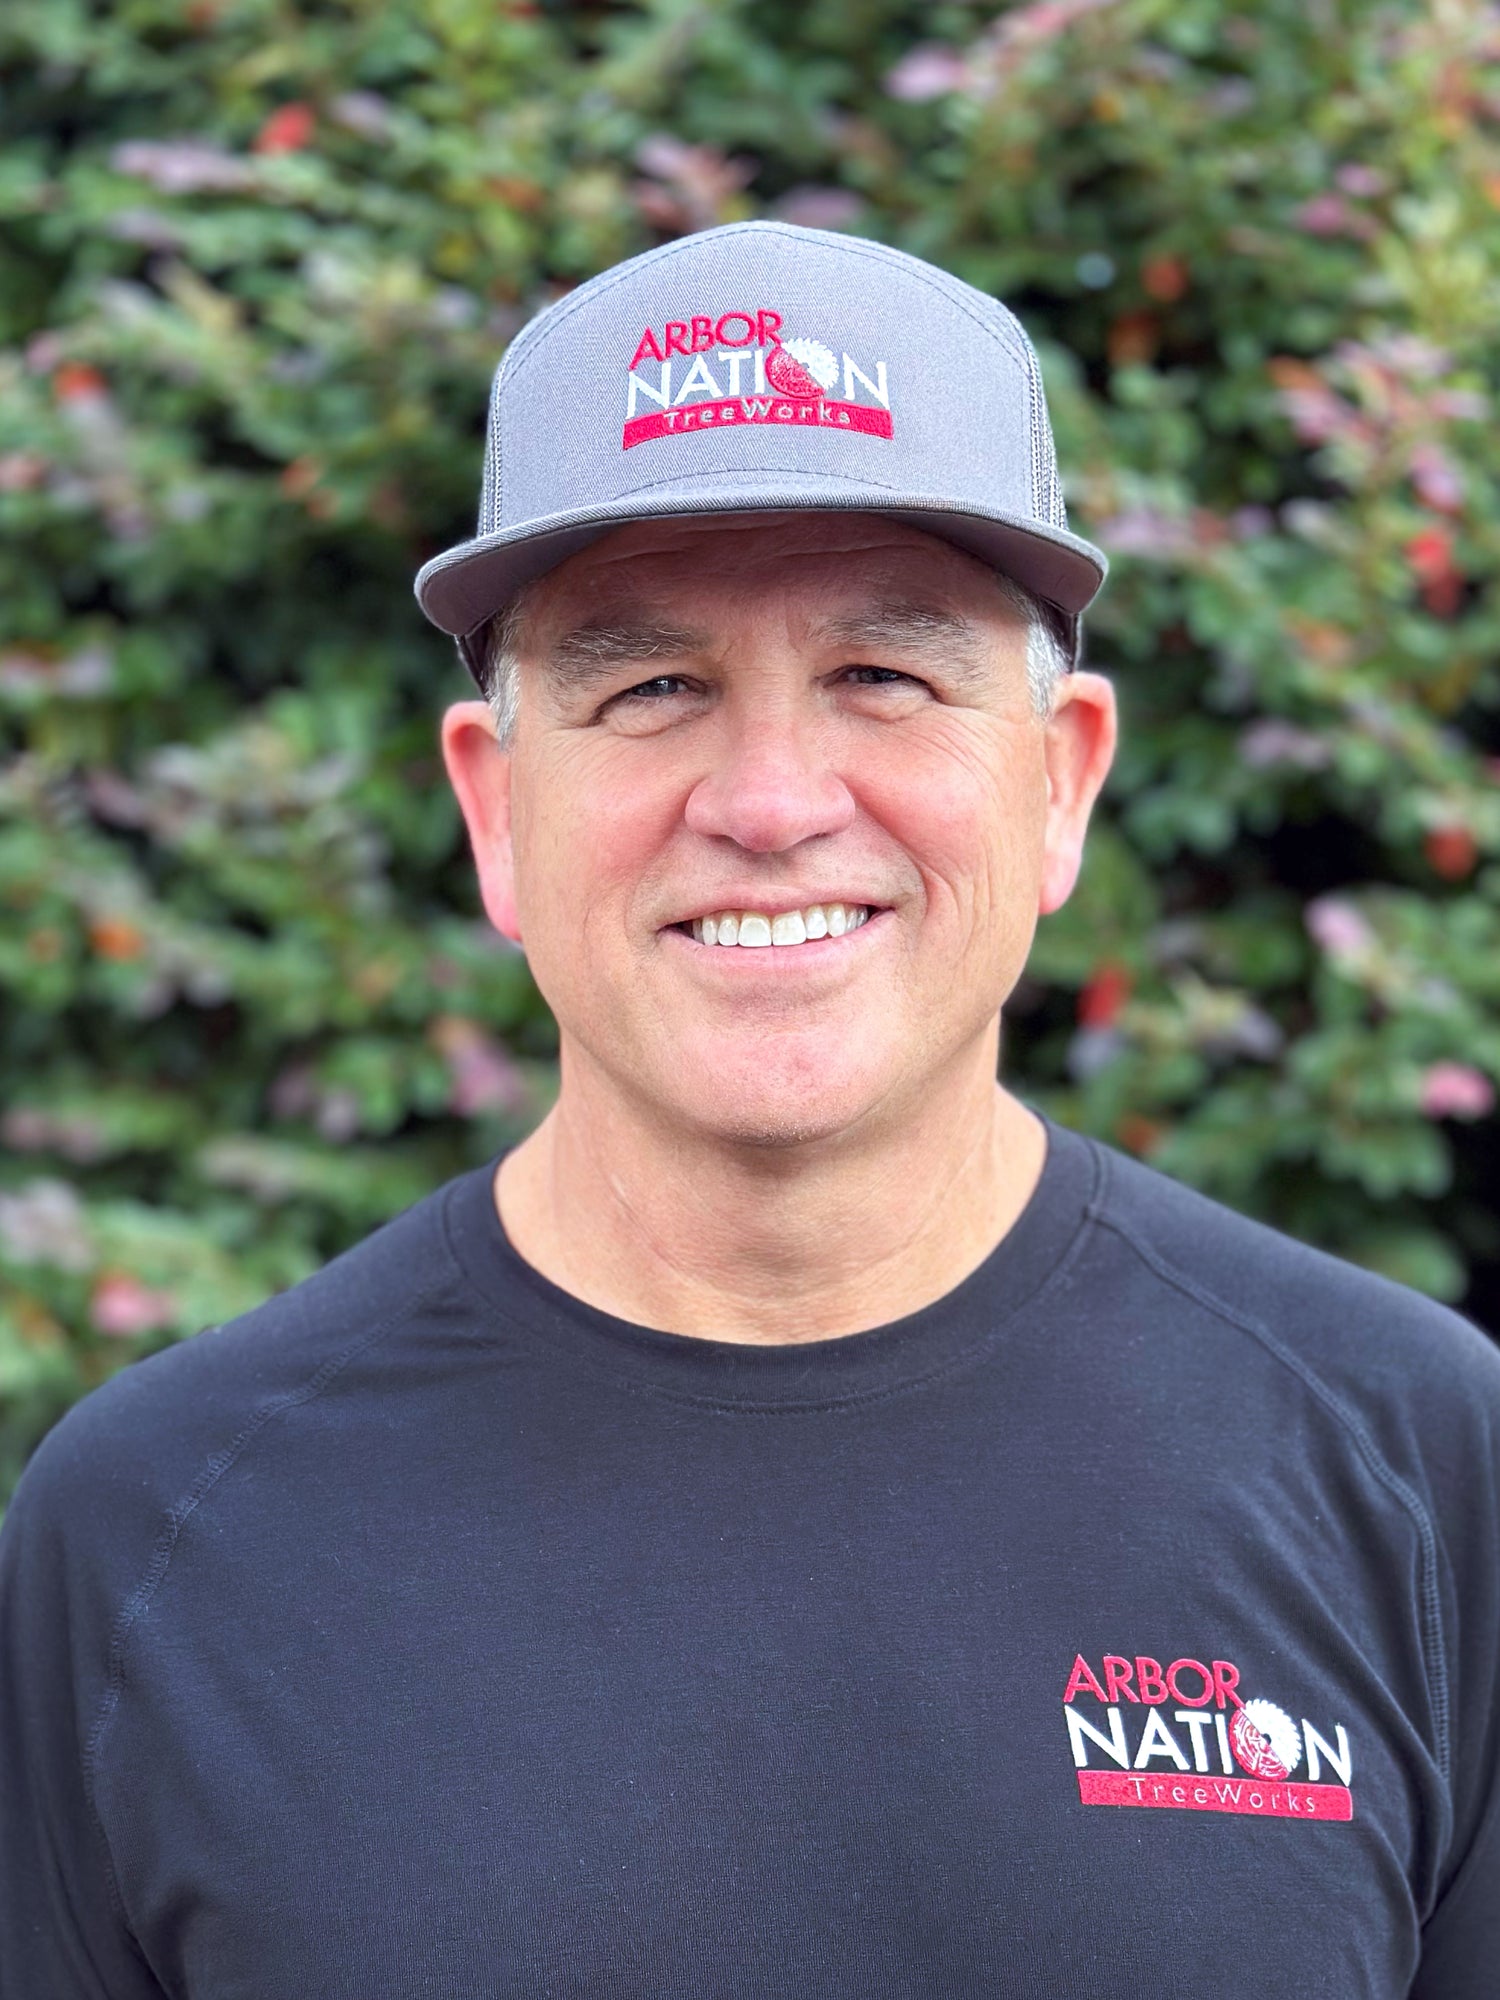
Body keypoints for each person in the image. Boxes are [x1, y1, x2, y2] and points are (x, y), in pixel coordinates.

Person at [1, 221, 1496, 2000]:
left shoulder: (1421, 1465)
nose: (773, 800)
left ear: (1059, 786)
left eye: (885, 674)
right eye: (652, 689)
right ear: (495, 809)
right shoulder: (159, 1533)